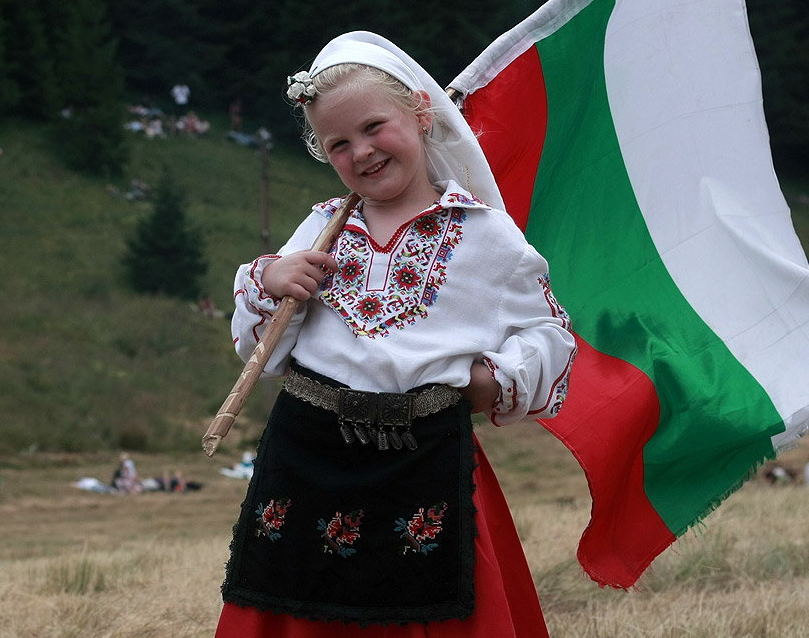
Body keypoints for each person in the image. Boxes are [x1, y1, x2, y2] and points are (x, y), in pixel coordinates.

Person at [216, 32, 577, 637]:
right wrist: (273, 278)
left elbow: (552, 332)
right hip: (306, 460)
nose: (362, 151)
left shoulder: (486, 237)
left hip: (425, 462)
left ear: (419, 112)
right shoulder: (320, 228)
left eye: (374, 127)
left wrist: (498, 377)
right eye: (339, 143)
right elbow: (267, 350)